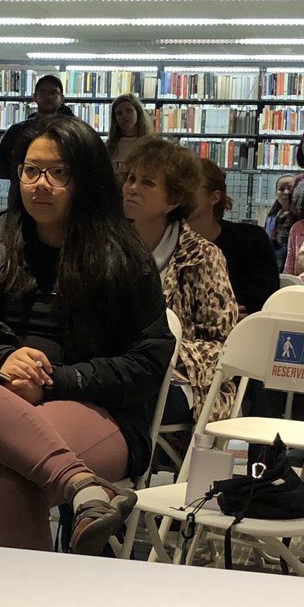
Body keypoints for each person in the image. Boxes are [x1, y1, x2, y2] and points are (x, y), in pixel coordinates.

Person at [0, 115, 173, 554]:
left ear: (86, 178)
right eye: (31, 171)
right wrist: (1, 360)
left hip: (92, 411)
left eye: (58, 173)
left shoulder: (124, 259)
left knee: (15, 472)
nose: (41, 184)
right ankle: (79, 485)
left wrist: (55, 380)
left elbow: (147, 363)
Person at [123, 137, 238, 425]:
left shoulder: (202, 256)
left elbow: (224, 345)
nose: (132, 189)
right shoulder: (110, 248)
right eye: (131, 178)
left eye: (147, 183)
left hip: (184, 382)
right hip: (116, 368)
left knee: (123, 399)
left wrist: (158, 353)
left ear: (173, 200)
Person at [188, 157, 279, 315]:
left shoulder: (251, 240)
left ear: (214, 197)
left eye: (190, 186)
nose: (181, 194)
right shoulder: (165, 239)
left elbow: (262, 301)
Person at [0, 73, 74, 181]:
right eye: (43, 92)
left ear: (62, 99)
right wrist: (28, 173)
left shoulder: (72, 132)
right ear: (35, 97)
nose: (48, 97)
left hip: (61, 192)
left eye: (53, 93)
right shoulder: (17, 131)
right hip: (23, 194)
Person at [105, 92, 153, 180]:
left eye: (129, 111)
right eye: (119, 113)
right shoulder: (109, 146)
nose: (124, 116)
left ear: (138, 113)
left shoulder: (151, 145)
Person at [264, 173, 297, 270]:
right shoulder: (271, 216)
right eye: (281, 189)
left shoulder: (300, 218)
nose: (286, 192)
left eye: (290, 188)